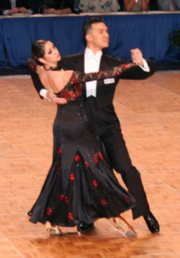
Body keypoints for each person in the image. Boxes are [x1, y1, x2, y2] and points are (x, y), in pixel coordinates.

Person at [31, 17, 160, 234]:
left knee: (126, 168)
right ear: (89, 36)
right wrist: (46, 94)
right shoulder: (69, 61)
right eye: (101, 31)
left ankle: (145, 211)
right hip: (80, 128)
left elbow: (143, 72)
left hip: (107, 125)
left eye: (107, 31)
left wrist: (141, 61)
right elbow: (35, 67)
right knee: (84, 172)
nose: (106, 34)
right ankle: (86, 218)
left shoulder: (113, 63)